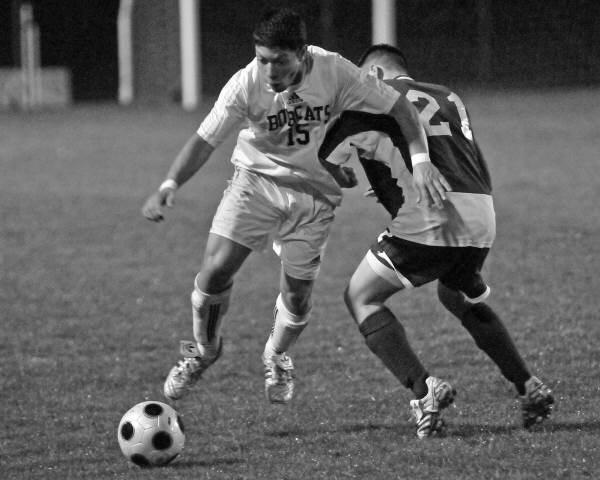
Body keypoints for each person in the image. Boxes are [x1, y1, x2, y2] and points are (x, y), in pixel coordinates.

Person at [141, 10, 447, 406]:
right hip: (256, 181)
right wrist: (168, 185)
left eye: (279, 61)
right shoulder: (245, 83)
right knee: (214, 271)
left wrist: (420, 162)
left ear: (302, 54)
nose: (269, 70)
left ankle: (277, 354)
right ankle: (203, 350)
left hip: (314, 195)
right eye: (262, 59)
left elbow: (400, 109)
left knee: (298, 297)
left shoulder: (334, 71)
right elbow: (205, 139)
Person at [319, 44, 554, 438]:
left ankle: (424, 391)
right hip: (480, 214)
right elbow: (461, 156)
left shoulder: (373, 96)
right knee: (456, 295)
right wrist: (389, 182)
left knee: (361, 296)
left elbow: (327, 154)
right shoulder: (448, 95)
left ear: (375, 75)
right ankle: (529, 386)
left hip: (431, 217)